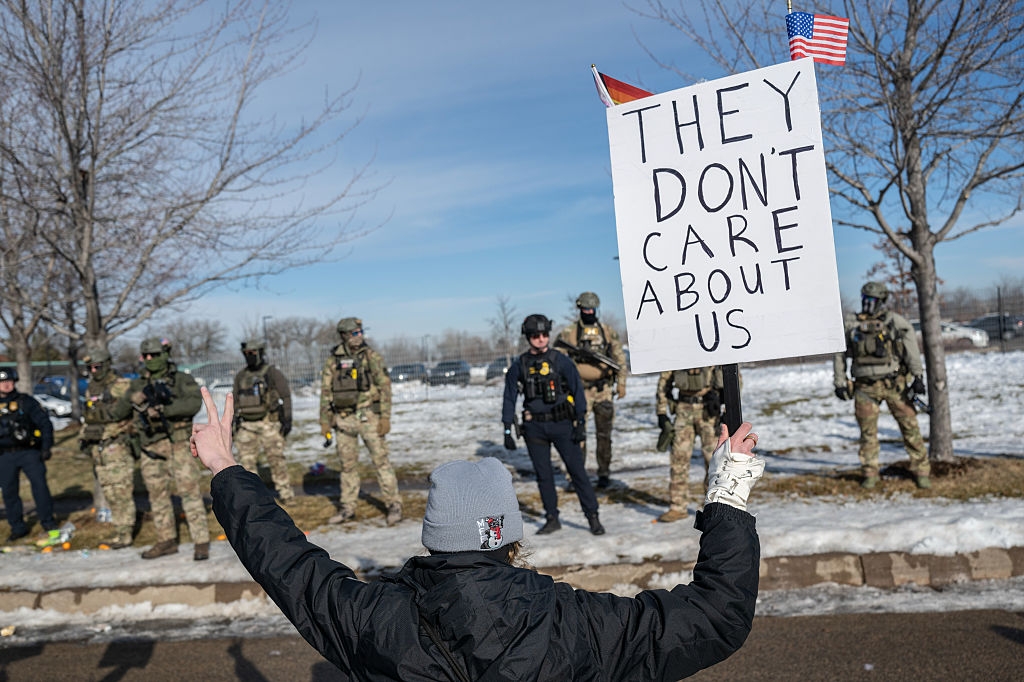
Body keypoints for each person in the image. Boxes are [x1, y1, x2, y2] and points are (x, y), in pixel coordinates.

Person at [190, 386, 765, 681]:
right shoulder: (577, 624)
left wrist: (225, 469)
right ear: (510, 538)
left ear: (435, 538)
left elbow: (289, 565)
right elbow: (717, 615)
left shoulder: (375, 621)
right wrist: (726, 497)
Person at [503, 313, 604, 535]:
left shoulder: (561, 361)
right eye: (535, 335)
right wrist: (507, 428)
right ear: (528, 337)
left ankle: (593, 517)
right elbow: (509, 397)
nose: (540, 339)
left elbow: (578, 392)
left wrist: (579, 423)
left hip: (563, 425)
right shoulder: (520, 365)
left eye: (544, 334)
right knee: (544, 475)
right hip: (534, 429)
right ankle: (552, 517)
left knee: (577, 472)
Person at [110, 337, 210, 560]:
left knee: (190, 492)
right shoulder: (137, 384)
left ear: (164, 354)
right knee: (157, 496)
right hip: (150, 447)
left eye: (154, 355)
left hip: (178, 445)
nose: (149, 360)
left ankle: (201, 541)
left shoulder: (181, 379)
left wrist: (163, 410)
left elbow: (193, 403)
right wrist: (132, 399)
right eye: (145, 356)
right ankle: (166, 541)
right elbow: (118, 413)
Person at [834, 281, 930, 489]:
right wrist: (840, 381)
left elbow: (911, 347)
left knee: (910, 427)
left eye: (873, 300)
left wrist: (918, 376)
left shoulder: (893, 321)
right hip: (864, 387)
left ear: (882, 301)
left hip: (894, 385)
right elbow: (839, 353)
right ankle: (870, 473)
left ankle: (921, 470)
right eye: (865, 299)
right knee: (868, 433)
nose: (868, 304)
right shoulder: (851, 323)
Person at [319, 317, 402, 526]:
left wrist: (385, 417)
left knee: (381, 462)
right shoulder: (333, 360)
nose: (360, 336)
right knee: (347, 466)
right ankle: (347, 508)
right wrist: (324, 421)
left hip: (368, 418)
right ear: (345, 336)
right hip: (343, 420)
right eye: (355, 333)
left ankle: (394, 505)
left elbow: (385, 388)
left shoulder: (371, 357)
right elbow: (325, 392)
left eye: (360, 331)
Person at [555, 291, 628, 489]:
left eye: (592, 309)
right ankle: (575, 477)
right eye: (585, 309)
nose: (589, 312)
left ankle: (604, 473)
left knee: (604, 435)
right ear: (579, 309)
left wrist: (621, 383)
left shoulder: (606, 331)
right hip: (578, 391)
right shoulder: (569, 333)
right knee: (577, 434)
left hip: (603, 389)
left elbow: (620, 359)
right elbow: (557, 360)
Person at [80, 347, 137, 548]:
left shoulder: (121, 385)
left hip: (117, 445)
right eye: (90, 367)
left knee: (122, 491)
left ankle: (126, 533)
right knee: (110, 492)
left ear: (106, 365)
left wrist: (128, 432)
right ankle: (120, 531)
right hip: (99, 448)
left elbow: (135, 414)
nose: (94, 371)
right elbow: (90, 416)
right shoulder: (91, 388)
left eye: (97, 366)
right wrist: (84, 438)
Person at [655, 366, 725, 523]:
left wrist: (728, 409)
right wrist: (661, 412)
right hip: (683, 410)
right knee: (678, 458)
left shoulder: (711, 348)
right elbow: (664, 381)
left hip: (708, 410)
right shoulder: (677, 351)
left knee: (714, 460)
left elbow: (732, 378)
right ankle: (678, 507)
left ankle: (714, 507)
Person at [232, 338, 294, 504]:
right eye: (246, 354)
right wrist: (232, 424)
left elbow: (285, 396)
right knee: (247, 465)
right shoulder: (241, 376)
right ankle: (255, 498)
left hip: (269, 424)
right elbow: (235, 401)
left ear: (260, 353)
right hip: (246, 426)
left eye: (252, 353)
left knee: (277, 460)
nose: (249, 356)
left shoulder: (272, 372)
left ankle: (286, 494)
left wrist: (287, 419)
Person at [0, 367, 58, 543]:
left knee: (40, 488)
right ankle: (17, 527)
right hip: (4, 455)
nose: (6, 385)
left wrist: (46, 447)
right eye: (2, 382)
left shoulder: (27, 402)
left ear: (15, 382)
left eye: (9, 381)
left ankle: (48, 523)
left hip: (29, 452)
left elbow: (45, 424)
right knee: (9, 493)